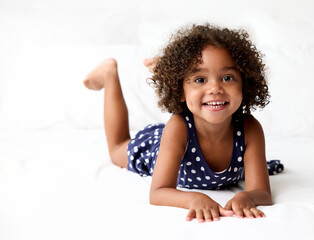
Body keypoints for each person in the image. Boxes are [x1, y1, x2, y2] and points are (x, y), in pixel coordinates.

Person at [83, 23, 283, 223]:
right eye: (200, 79)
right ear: (180, 91)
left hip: (183, 131)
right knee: (117, 148)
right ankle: (109, 75)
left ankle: (171, 72)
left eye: (227, 77)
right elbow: (158, 192)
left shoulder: (250, 128)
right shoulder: (178, 125)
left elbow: (262, 193)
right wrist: (194, 199)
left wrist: (247, 196)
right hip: (162, 145)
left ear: (245, 85)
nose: (215, 88)